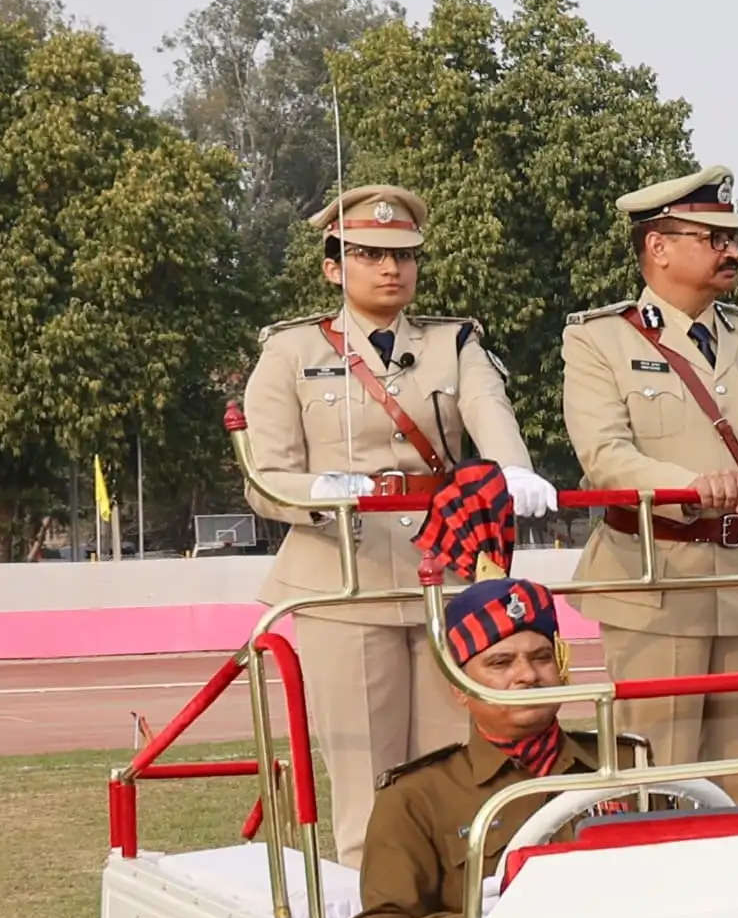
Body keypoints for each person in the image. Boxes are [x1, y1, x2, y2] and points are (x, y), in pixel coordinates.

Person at [235, 184, 555, 862]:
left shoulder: (454, 341)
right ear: (332, 266)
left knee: (456, 766)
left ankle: (457, 913)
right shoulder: (291, 352)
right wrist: (323, 489)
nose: (391, 268)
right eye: (370, 254)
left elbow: (488, 408)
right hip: (343, 576)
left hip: (446, 575)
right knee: (368, 784)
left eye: (404, 254)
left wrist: (513, 470)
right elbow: (265, 476)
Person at [558, 166, 738, 774]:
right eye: (713, 238)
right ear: (658, 247)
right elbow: (604, 457)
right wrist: (686, 485)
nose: (733, 251)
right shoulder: (598, 341)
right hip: (658, 584)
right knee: (658, 776)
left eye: (734, 238)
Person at [345, 574, 601, 918]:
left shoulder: (624, 764)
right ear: (459, 688)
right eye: (500, 663)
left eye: (541, 658)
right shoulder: (417, 797)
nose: (527, 677)